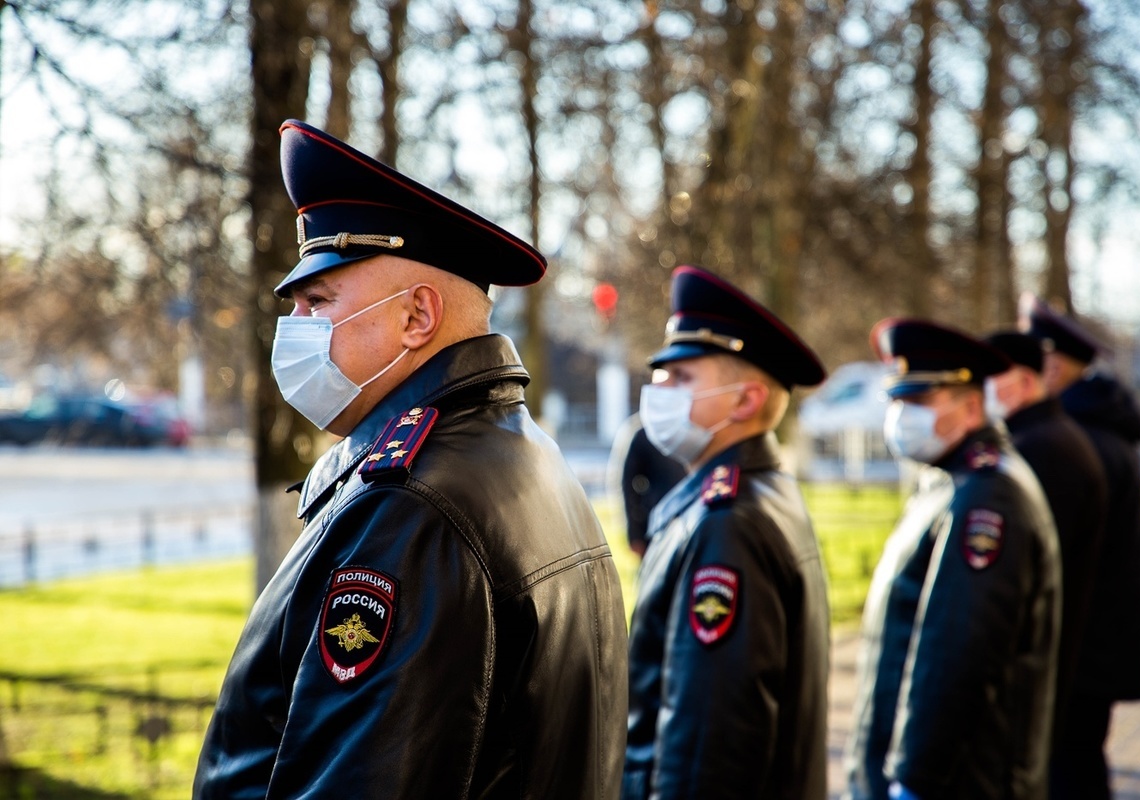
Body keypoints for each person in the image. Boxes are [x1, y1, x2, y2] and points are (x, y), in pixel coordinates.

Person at [195, 119, 628, 799]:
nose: (296, 327)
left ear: (417, 316)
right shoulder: (517, 451)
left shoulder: (413, 505)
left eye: (319, 300)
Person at [622, 265, 830, 800]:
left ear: (746, 400)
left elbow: (705, 746)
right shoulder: (755, 494)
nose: (659, 388)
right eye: (660, 373)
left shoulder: (727, 526)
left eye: (683, 377)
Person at [844, 318, 1061, 800]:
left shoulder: (987, 496)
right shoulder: (953, 479)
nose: (902, 414)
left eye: (918, 401)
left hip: (958, 781)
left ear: (969, 405)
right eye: (898, 400)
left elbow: (956, 654)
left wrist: (912, 780)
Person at [1020, 294, 1140, 800]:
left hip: (1083, 644)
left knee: (1070, 767)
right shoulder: (1097, 425)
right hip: (1098, 642)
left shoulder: (1076, 439)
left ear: (1055, 366)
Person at [983, 331, 1108, 760]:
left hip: (1054, 665)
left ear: (1020, 382)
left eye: (990, 379)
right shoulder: (1048, 437)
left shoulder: (1041, 450)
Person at [609, 413, 687, 557]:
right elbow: (626, 485)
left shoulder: (690, 428)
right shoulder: (641, 432)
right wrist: (634, 533)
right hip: (655, 528)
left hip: (689, 522)